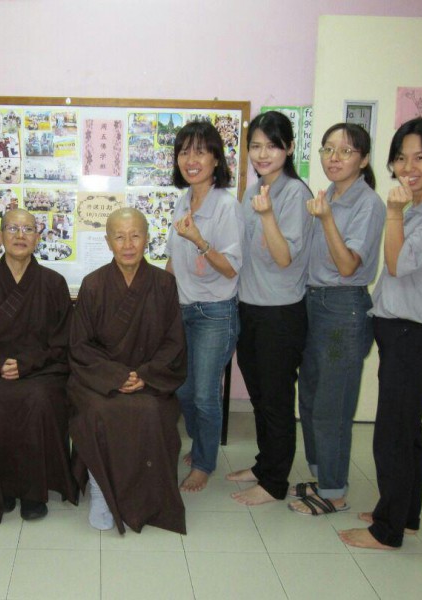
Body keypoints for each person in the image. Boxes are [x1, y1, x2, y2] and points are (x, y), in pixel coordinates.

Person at [339, 117, 422, 549]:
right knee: (407, 431)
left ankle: (387, 531)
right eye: (401, 158)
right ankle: (404, 515)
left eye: (420, 158)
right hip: (403, 333)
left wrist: (394, 213)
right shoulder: (421, 207)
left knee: (392, 434)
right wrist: (402, 211)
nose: (408, 168)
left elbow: (398, 264)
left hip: (417, 337)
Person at [68, 207, 187, 534]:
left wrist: (144, 375)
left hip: (150, 378)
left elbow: (174, 342)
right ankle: (100, 489)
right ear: (108, 242)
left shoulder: (164, 284)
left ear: (147, 238)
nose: (128, 244)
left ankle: (147, 497)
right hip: (101, 381)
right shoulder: (93, 285)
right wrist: (116, 377)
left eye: (135, 235)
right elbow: (80, 346)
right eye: (119, 237)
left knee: (152, 411)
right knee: (98, 412)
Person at [0, 209, 77, 524]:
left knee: (39, 399)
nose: (20, 235)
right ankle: (3, 486)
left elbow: (63, 343)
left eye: (28, 229)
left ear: (37, 238)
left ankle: (34, 492)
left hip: (41, 371)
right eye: (12, 228)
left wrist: (27, 364)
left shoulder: (53, 283)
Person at [288, 123, 385, 516]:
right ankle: (322, 476)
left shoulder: (369, 204)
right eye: (328, 149)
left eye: (345, 151)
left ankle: (334, 492)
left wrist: (326, 219)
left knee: (333, 405)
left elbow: (347, 266)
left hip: (344, 307)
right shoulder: (327, 195)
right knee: (311, 396)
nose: (334, 158)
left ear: (363, 159)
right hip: (314, 302)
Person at [228, 111, 312, 506]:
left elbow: (283, 257)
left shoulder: (295, 193)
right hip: (250, 308)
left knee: (277, 400)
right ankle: (265, 465)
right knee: (260, 395)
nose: (263, 154)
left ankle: (275, 482)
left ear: (289, 148)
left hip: (281, 313)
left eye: (272, 146)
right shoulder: (253, 190)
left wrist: (267, 217)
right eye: (256, 146)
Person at [165, 121, 243, 492]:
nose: (191, 160)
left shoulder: (227, 206)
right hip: (182, 309)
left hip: (215, 312)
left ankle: (204, 462)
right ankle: (201, 444)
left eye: (200, 152)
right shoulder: (182, 201)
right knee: (183, 389)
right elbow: (173, 260)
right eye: (184, 152)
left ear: (216, 159)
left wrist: (199, 239)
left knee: (204, 393)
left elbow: (230, 268)